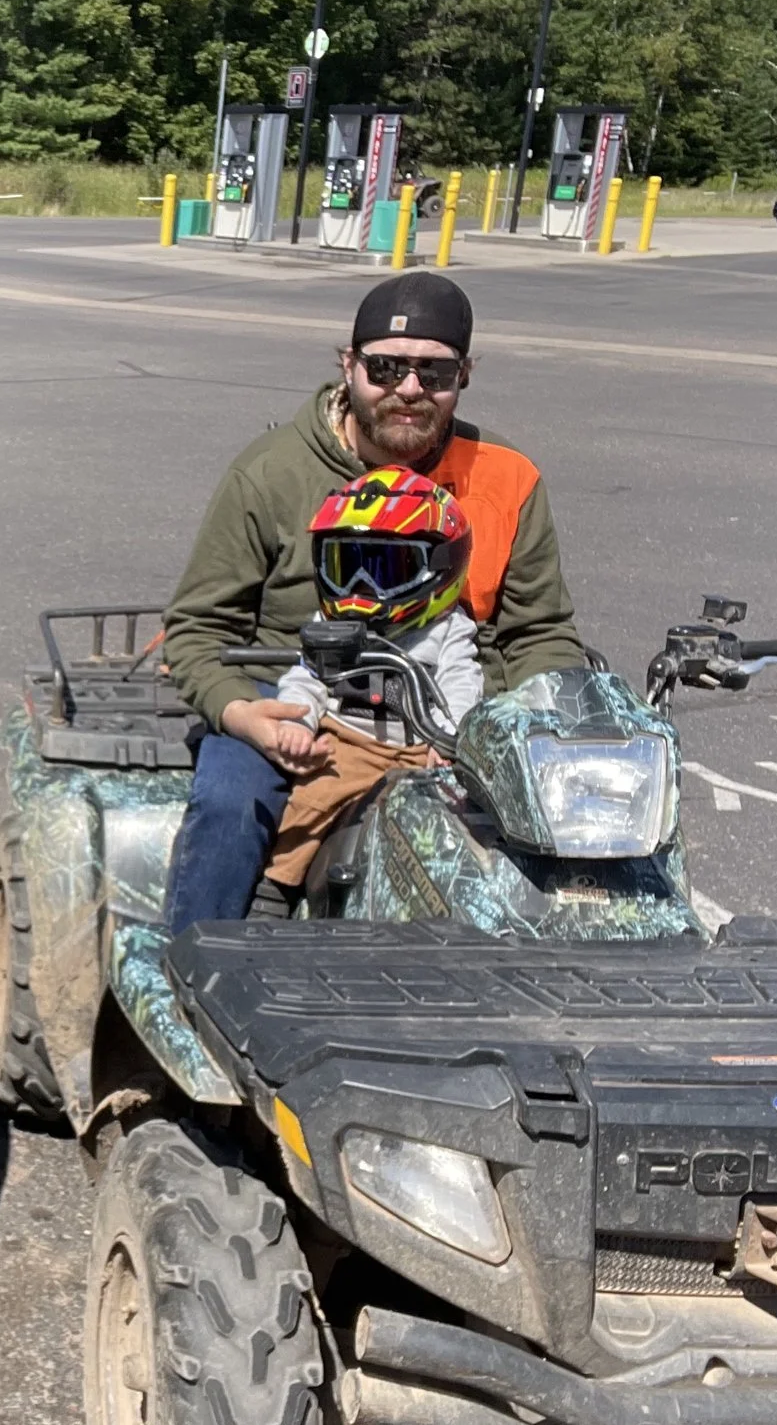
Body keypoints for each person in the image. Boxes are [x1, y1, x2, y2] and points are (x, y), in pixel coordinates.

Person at [161, 270, 586, 933]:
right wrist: (242, 714)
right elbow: (195, 629)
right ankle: (193, 975)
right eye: (385, 368)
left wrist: (544, 725)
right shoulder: (271, 472)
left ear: (463, 376)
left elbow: (540, 633)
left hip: (457, 713)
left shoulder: (508, 477)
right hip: (303, 701)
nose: (408, 389)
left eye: (433, 373)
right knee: (229, 803)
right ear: (348, 365)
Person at [259, 467, 485, 890]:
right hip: (347, 746)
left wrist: (450, 739)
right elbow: (305, 677)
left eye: (385, 567)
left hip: (421, 750)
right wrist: (296, 723)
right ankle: (274, 894)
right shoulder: (330, 623)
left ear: (441, 567)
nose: (363, 585)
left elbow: (462, 683)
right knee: (303, 809)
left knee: (463, 828)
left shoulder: (448, 628)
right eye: (348, 566)